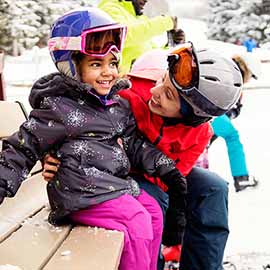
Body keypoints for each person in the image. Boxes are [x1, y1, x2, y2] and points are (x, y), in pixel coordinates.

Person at [0, 8, 189, 270]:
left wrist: (165, 166)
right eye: (96, 64)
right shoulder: (59, 108)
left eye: (112, 63)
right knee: (137, 220)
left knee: (155, 213)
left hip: (111, 187)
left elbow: (133, 143)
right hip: (80, 193)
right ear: (71, 66)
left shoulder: (115, 105)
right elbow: (23, 146)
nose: (108, 72)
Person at [42, 44, 243, 270]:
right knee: (154, 197)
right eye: (161, 81)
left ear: (191, 116)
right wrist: (56, 154)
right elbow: (72, 115)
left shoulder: (199, 133)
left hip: (157, 172)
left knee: (212, 187)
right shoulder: (129, 93)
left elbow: (175, 178)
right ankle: (150, 265)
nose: (155, 92)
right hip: (111, 173)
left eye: (168, 95)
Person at [209, 53, 261, 192]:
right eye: (251, 76)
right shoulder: (232, 76)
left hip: (210, 113)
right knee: (232, 136)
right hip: (211, 113)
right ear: (247, 70)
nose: (249, 80)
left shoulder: (226, 68)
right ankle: (241, 178)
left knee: (204, 143)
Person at [98, 0, 184, 73]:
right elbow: (120, 36)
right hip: (121, 82)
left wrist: (173, 44)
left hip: (142, 80)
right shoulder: (110, 8)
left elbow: (151, 54)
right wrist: (165, 23)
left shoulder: (140, 19)